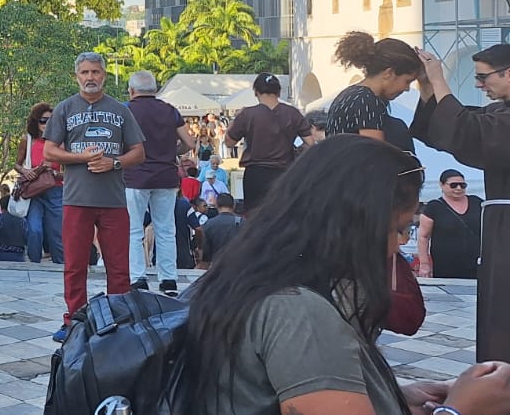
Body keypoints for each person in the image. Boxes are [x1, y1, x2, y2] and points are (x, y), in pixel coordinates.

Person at [173, 135, 510, 415]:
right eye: (399, 228)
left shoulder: (245, 278)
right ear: (352, 225)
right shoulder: (299, 312)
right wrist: (459, 410)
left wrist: (393, 397)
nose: (399, 245)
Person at [413, 43, 510, 360]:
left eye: (484, 77)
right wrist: (428, 87)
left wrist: (439, 80)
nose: (479, 85)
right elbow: (450, 126)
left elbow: (466, 131)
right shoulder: (500, 112)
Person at [44, 52, 146, 342]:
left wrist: (113, 163)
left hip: (113, 199)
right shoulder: (65, 109)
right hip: (76, 197)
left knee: (118, 265)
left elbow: (138, 152)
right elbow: (50, 150)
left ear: (104, 75)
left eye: (96, 72)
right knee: (75, 264)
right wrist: (79, 157)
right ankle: (73, 320)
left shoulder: (121, 110)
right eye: (85, 72)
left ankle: (120, 317)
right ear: (76, 75)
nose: (90, 77)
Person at [124, 71, 194, 297]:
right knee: (166, 229)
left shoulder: (126, 110)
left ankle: (138, 278)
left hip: (135, 176)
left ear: (131, 90)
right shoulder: (170, 110)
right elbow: (189, 142)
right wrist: (173, 152)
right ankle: (168, 279)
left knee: (134, 230)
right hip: (166, 176)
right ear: (154, 89)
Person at [225, 73, 315, 216]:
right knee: (283, 217)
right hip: (285, 172)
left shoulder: (247, 114)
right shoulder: (292, 113)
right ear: (278, 92)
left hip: (256, 174)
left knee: (254, 219)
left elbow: (229, 142)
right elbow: (311, 144)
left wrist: (234, 121)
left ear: (256, 92)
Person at [325, 32, 423, 140]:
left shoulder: (351, 95)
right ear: (389, 73)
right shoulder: (367, 101)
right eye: (407, 81)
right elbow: (374, 152)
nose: (407, 89)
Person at [16, 101, 65, 265]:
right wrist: (25, 171)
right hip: (34, 192)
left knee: (57, 234)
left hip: (56, 190)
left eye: (51, 120)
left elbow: (71, 171)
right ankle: (34, 264)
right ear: (35, 122)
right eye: (43, 120)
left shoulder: (61, 142)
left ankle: (60, 267)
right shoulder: (28, 140)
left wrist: (55, 173)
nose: (46, 124)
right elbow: (17, 164)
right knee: (34, 230)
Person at [199, 193, 244, 268]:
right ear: (234, 205)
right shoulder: (243, 222)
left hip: (217, 268)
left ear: (216, 205)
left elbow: (206, 255)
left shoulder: (209, 224)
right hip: (239, 268)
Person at [176, 193, 204, 270]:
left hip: (160, 255)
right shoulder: (185, 205)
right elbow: (198, 229)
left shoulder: (154, 204)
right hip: (183, 254)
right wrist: (200, 247)